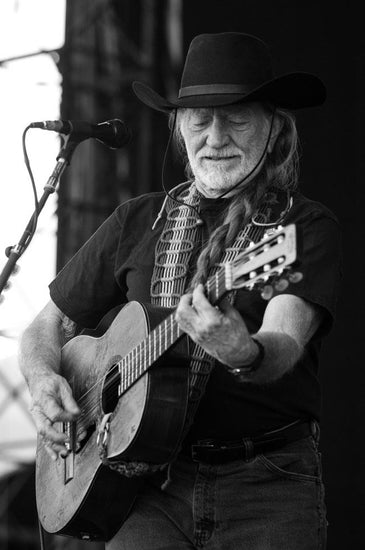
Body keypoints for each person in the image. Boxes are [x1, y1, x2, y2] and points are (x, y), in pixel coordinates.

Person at [19, 32, 341, 549]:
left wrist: (245, 352)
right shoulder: (137, 220)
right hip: (146, 489)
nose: (216, 137)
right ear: (178, 126)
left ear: (275, 127)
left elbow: (285, 339)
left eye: (236, 117)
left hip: (267, 486)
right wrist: (41, 380)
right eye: (200, 118)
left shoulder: (299, 229)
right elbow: (46, 325)